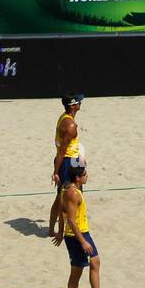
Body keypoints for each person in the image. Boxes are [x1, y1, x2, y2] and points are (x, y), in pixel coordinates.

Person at [53, 162, 103, 288]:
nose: (87, 176)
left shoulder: (73, 189)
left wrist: (60, 232)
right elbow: (71, 220)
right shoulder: (72, 194)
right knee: (77, 270)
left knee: (95, 261)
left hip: (83, 232)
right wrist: (82, 241)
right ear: (78, 178)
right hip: (75, 236)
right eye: (84, 175)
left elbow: (63, 213)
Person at [49, 94, 85, 237]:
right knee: (66, 196)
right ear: (73, 105)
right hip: (68, 162)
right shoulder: (70, 125)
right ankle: (63, 230)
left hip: (68, 159)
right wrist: (56, 172)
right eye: (78, 102)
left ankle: (53, 229)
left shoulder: (64, 117)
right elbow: (62, 150)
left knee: (62, 195)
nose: (81, 103)